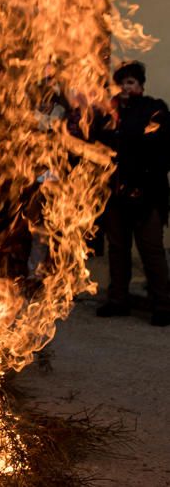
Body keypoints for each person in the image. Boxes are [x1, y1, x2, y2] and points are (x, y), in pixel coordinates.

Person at [95, 60, 170, 326]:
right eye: (121, 82)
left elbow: (158, 147)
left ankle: (163, 305)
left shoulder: (154, 108)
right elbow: (99, 144)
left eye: (130, 82)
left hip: (146, 194)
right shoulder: (111, 112)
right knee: (117, 248)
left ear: (139, 85)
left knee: (151, 250)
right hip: (117, 193)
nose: (124, 87)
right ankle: (118, 300)